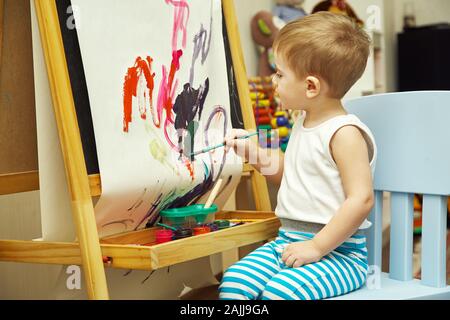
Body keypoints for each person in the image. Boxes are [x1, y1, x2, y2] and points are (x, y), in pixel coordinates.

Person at [219, 11, 377, 300]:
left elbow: (362, 199)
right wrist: (253, 152)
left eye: (279, 73)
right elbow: (288, 173)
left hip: (339, 254)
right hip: (288, 242)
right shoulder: (302, 122)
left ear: (311, 86)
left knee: (280, 293)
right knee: (234, 282)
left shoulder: (345, 133)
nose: (273, 79)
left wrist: (317, 247)